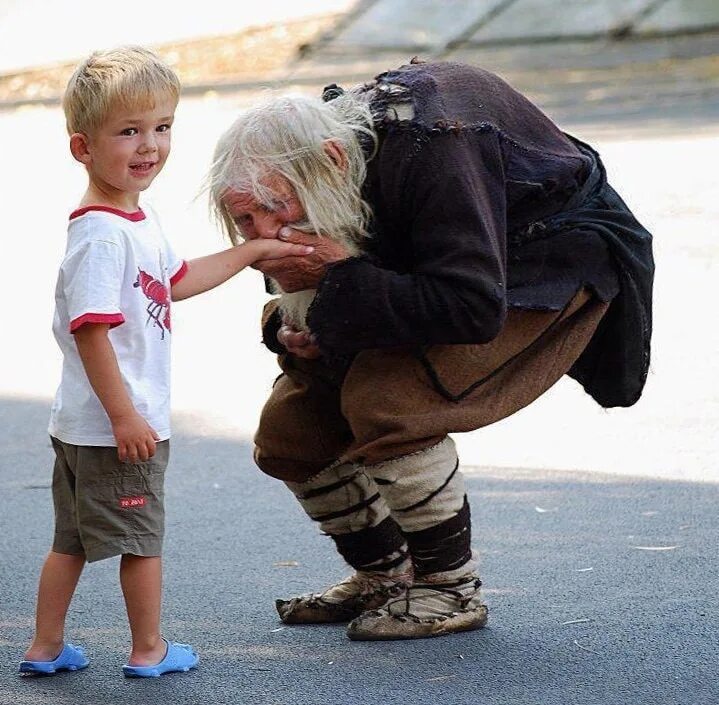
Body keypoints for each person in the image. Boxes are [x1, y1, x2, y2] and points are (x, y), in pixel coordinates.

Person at [208, 59, 654, 641]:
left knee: (389, 400)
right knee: (292, 429)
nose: (264, 232)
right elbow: (312, 266)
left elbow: (468, 305)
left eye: (275, 209)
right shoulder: (319, 171)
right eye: (246, 218)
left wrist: (338, 286)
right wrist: (288, 326)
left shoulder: (438, 145)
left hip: (536, 264)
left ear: (332, 162)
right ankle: (386, 579)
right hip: (432, 274)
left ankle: (449, 590)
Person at [19, 46, 312, 678]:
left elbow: (175, 280)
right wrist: (126, 418)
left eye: (162, 127)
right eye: (128, 131)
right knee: (141, 543)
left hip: (85, 424)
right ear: (82, 148)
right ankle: (148, 649)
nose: (150, 145)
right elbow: (92, 332)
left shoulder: (134, 215)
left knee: (70, 541)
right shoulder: (102, 235)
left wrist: (254, 249)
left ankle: (45, 647)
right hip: (118, 426)